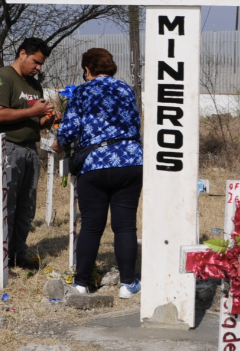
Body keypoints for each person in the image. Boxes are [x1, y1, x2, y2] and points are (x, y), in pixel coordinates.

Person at [53, 48, 143, 298]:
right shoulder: (125, 89)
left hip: (95, 164)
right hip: (129, 161)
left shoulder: (82, 91)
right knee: (125, 225)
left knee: (92, 226)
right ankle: (128, 284)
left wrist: (59, 143)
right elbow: (135, 123)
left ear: (87, 69)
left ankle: (82, 284)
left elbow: (69, 129)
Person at [0, 37, 57, 271]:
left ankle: (17, 253)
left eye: (41, 64)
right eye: (36, 62)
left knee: (26, 206)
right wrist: (33, 111)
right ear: (22, 54)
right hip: (8, 148)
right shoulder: (3, 77)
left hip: (30, 150)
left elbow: (36, 121)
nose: (38, 68)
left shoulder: (34, 86)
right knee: (4, 204)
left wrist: (49, 119)